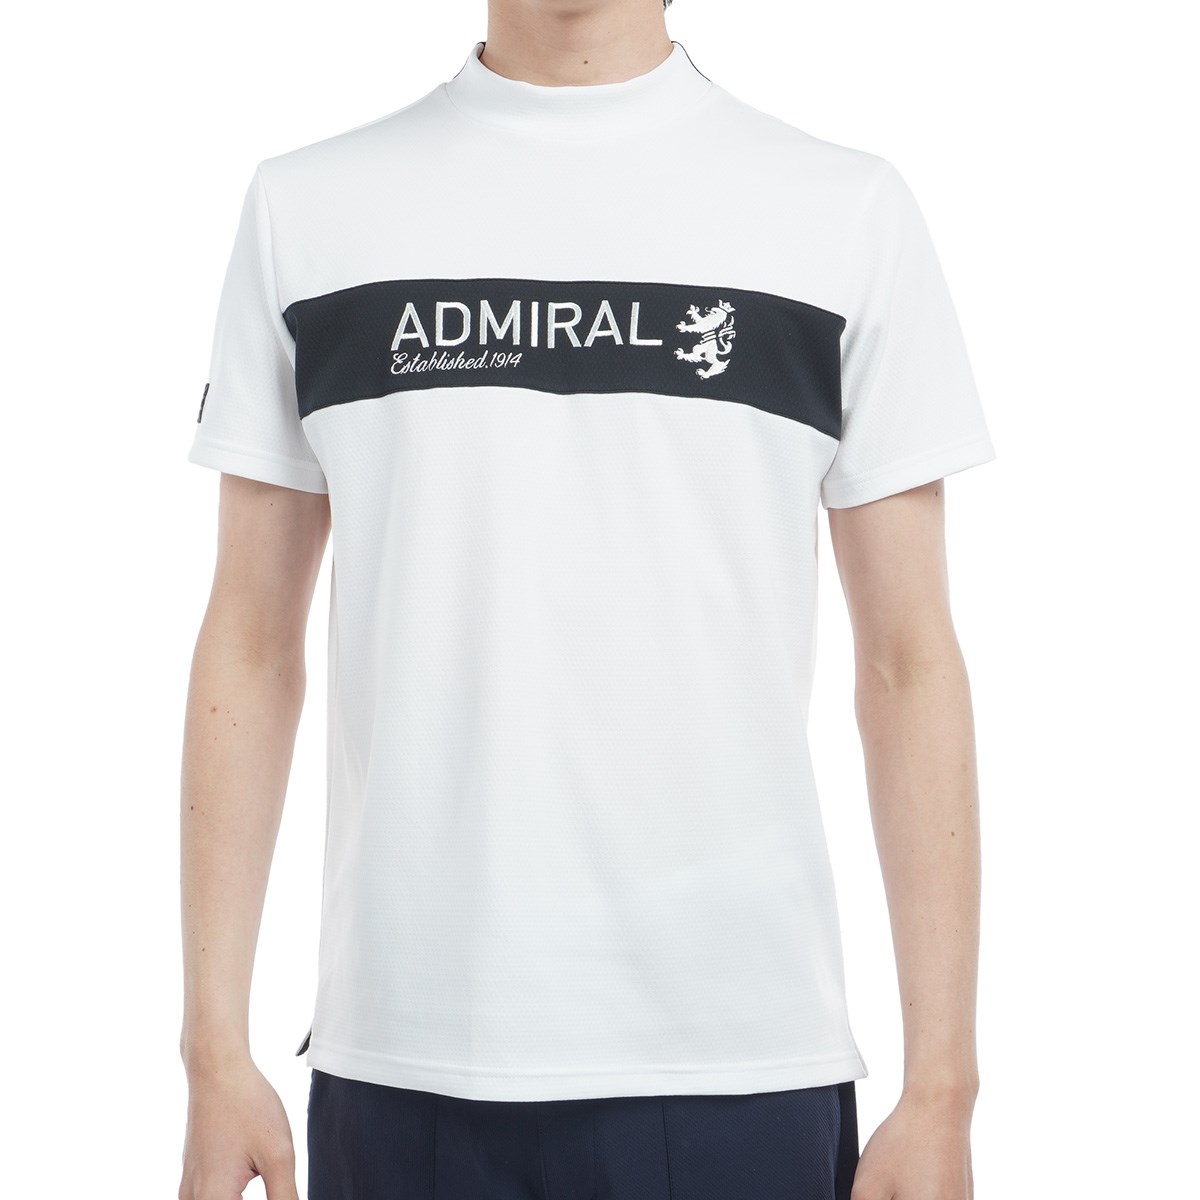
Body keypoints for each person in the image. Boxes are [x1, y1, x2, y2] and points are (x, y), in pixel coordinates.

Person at [178, 1, 994, 1197]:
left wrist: (943, 1090)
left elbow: (908, 662)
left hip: (738, 1062)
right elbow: (250, 641)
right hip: (406, 1058)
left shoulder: (840, 212)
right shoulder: (311, 210)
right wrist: (211, 1051)